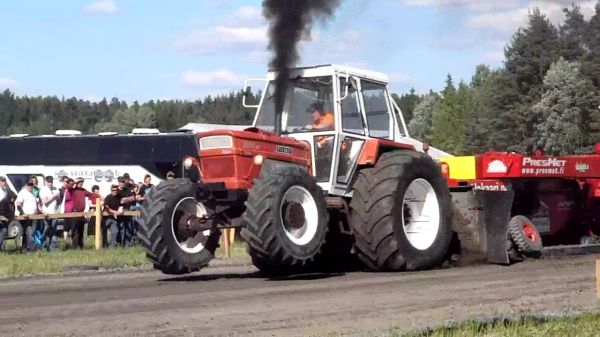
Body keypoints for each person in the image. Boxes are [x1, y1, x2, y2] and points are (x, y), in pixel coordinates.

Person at [15, 181, 41, 252]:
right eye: (29, 185)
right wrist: (22, 213)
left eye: (31, 185)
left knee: (28, 233)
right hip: (26, 217)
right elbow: (18, 204)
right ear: (26, 185)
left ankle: (24, 249)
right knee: (29, 233)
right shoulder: (23, 192)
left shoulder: (32, 193)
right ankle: (31, 249)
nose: (30, 186)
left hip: (33, 216)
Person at [39, 176, 60, 251]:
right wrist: (53, 196)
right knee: (45, 231)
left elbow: (59, 201)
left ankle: (53, 247)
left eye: (51, 181)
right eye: (49, 181)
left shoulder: (55, 189)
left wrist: (58, 210)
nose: (50, 183)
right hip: (46, 214)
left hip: (54, 213)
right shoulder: (43, 190)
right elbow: (45, 202)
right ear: (46, 182)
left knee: (53, 231)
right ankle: (43, 247)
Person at [118, 176, 136, 245]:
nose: (123, 183)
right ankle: (120, 244)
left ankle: (128, 244)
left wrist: (125, 199)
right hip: (119, 212)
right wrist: (128, 199)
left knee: (129, 228)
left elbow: (133, 198)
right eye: (121, 182)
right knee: (121, 228)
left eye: (124, 182)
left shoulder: (127, 189)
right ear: (119, 182)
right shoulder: (117, 190)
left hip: (128, 211)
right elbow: (119, 201)